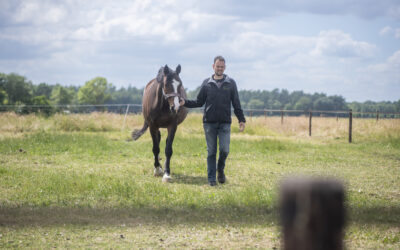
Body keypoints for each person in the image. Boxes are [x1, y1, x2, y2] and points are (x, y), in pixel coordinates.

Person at [180, 56, 246, 186]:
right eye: (217, 66)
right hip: (209, 123)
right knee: (211, 152)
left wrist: (241, 119)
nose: (219, 68)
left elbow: (236, 103)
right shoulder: (206, 83)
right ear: (213, 66)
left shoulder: (231, 83)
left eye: (222, 66)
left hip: (225, 123)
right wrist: (184, 102)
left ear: (225, 67)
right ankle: (211, 179)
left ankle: (220, 169)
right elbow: (199, 102)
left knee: (224, 150)